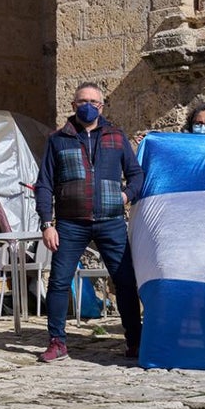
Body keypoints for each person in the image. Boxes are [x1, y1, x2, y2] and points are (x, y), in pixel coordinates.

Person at [35, 82, 144, 362]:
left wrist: (125, 195)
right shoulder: (58, 139)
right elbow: (44, 184)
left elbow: (136, 175)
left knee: (125, 281)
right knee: (59, 282)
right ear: (73, 106)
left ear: (101, 106)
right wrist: (47, 223)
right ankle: (57, 341)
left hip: (111, 222)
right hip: (70, 224)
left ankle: (135, 340)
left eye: (94, 102)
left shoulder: (117, 137)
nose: (88, 106)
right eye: (82, 101)